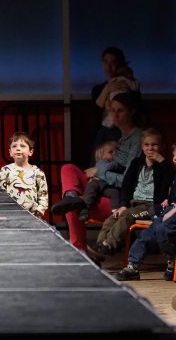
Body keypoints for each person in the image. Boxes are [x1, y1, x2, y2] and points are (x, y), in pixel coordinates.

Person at [50, 91, 143, 251]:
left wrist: (99, 172)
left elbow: (129, 181)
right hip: (104, 186)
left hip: (119, 198)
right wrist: (99, 170)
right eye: (112, 110)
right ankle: (71, 196)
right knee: (69, 169)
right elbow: (110, 165)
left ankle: (79, 249)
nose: (114, 114)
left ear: (131, 112)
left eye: (120, 110)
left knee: (75, 206)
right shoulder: (122, 138)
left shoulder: (138, 138)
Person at [88, 128, 172, 259]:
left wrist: (161, 160)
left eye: (154, 144)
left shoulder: (165, 167)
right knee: (112, 218)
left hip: (150, 207)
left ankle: (109, 245)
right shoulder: (136, 163)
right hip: (134, 204)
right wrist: (123, 205)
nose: (150, 148)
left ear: (162, 146)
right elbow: (126, 186)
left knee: (126, 217)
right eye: (146, 144)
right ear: (142, 146)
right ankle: (99, 250)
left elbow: (171, 178)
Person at [116, 142, 176, 282]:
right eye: (173, 155)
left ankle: (171, 257)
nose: (174, 158)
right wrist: (168, 201)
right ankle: (133, 266)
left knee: (162, 228)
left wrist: (173, 210)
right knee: (147, 233)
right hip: (170, 209)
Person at [91, 46, 141, 148]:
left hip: (125, 128)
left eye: (113, 62)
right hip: (105, 129)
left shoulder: (127, 84)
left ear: (119, 64)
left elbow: (137, 107)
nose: (109, 66)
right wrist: (107, 89)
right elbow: (96, 109)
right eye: (105, 62)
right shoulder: (98, 88)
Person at [0, 131, 48, 218]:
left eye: (22, 146)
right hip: (10, 214)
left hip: (32, 215)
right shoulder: (5, 170)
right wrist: (1, 212)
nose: (18, 148)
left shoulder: (38, 172)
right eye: (14, 146)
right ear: (10, 152)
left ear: (30, 151)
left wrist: (39, 210)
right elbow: (0, 193)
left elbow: (43, 195)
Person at [77, 139, 121, 223]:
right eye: (110, 152)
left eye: (117, 151)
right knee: (91, 188)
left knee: (114, 192)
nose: (115, 154)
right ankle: (85, 209)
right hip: (98, 182)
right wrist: (117, 163)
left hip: (107, 186)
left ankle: (114, 211)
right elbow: (109, 167)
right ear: (101, 156)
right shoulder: (102, 162)